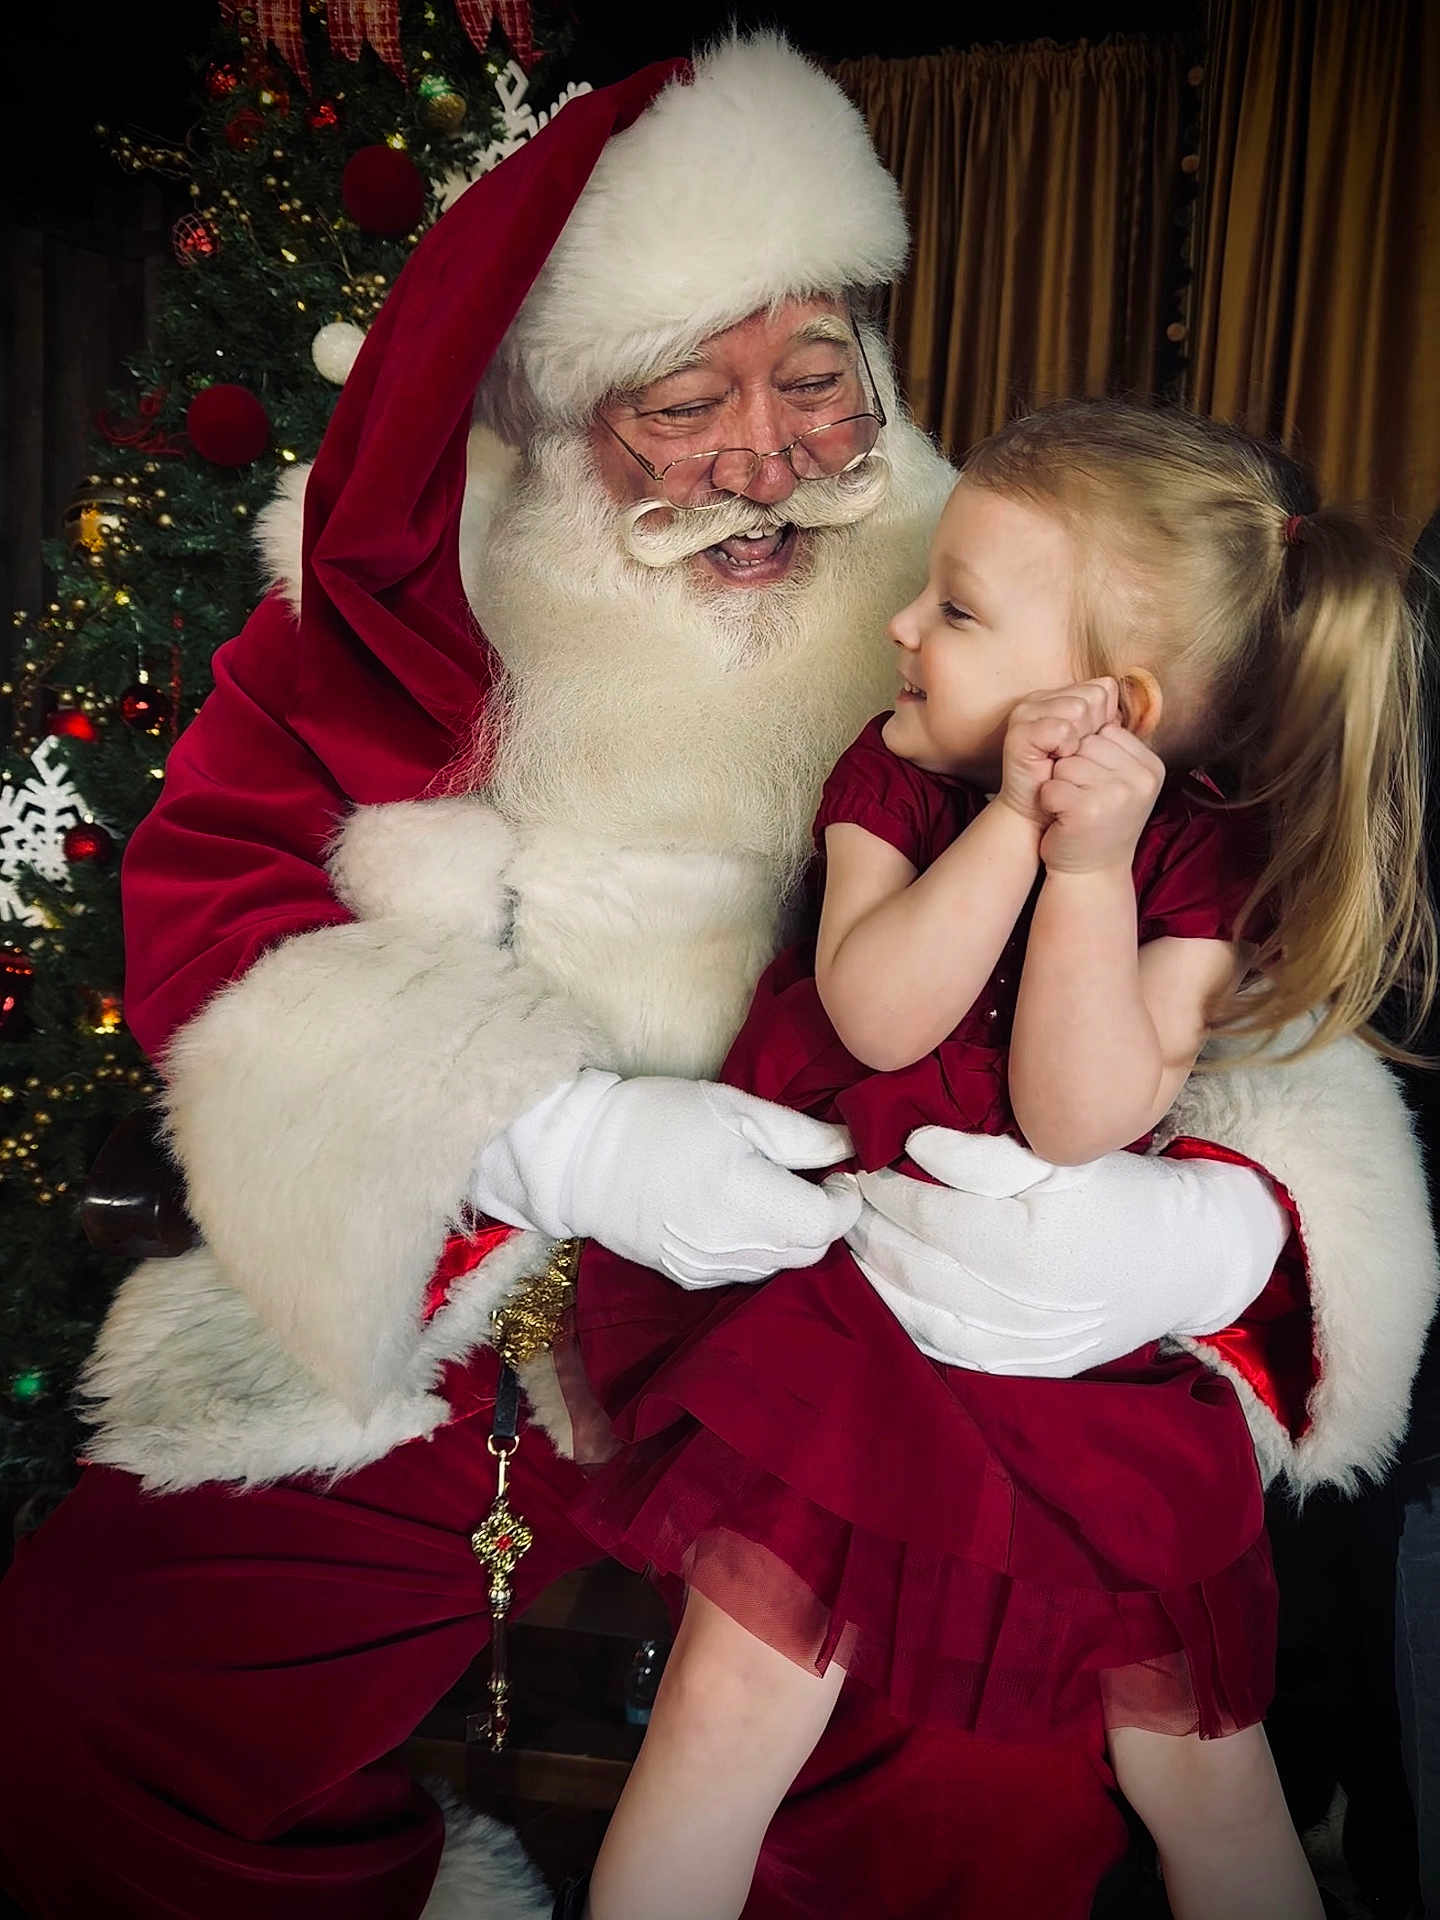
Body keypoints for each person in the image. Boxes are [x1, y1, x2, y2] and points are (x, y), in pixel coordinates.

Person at [0, 37, 1433, 1920]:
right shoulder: (384, 612)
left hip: (894, 1344)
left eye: (820, 376)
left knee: (987, 1789)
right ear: (549, 404)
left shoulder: (1005, 578)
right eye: (686, 398)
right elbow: (219, 921)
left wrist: (1210, 1233)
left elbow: (1235, 916)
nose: (770, 456)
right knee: (86, 1688)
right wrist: (561, 1143)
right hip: (479, 1336)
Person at [565, 400, 1437, 1920]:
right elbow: (877, 1010)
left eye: (957, 606)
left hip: (1074, 1382)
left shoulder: (1201, 863)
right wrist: (1014, 833)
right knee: (724, 1716)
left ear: (1116, 704)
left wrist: (1090, 870)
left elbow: (1075, 1118)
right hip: (849, 1349)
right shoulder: (896, 777)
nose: (901, 621)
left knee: (1209, 1778)